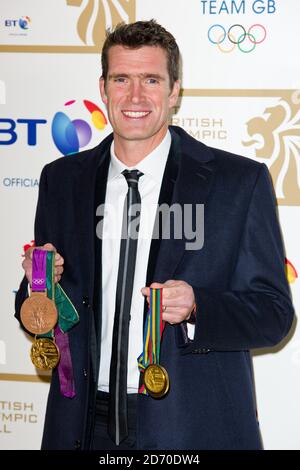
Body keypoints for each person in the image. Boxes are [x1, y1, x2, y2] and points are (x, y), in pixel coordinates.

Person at [15, 20, 294, 450]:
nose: (135, 97)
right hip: (83, 426)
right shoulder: (62, 180)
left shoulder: (238, 183)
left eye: (151, 80)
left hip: (192, 427)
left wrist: (200, 307)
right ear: (103, 88)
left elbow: (274, 313)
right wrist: (41, 285)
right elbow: (34, 309)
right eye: (121, 79)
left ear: (175, 90)